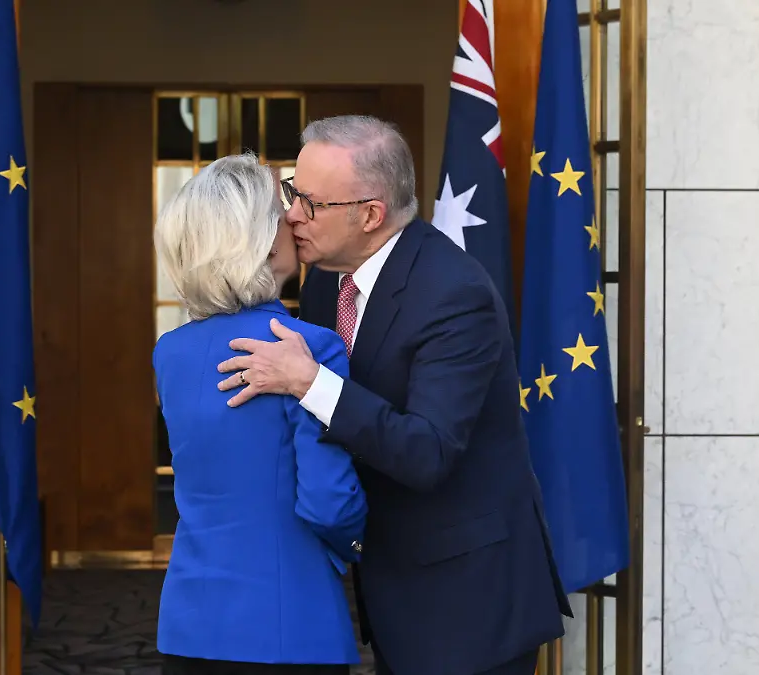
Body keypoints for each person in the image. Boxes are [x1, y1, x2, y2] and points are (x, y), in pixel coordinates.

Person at [216, 115, 573, 675]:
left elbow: (427, 451)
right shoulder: (327, 278)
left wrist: (311, 383)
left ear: (371, 214)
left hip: (466, 599)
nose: (290, 215)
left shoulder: (455, 294)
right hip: (392, 579)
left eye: (309, 202)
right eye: (291, 192)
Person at [152, 152, 368, 675]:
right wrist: (362, 549)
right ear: (261, 239)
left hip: (189, 623)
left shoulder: (170, 352)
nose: (295, 219)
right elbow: (329, 502)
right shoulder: (308, 346)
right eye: (283, 209)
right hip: (289, 623)